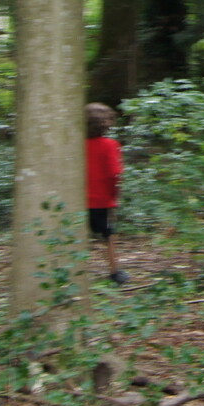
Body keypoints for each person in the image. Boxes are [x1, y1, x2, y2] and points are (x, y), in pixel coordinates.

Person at [85, 102, 130, 286]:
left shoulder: (74, 145)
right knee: (109, 235)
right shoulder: (110, 145)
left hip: (77, 200)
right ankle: (114, 271)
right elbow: (115, 173)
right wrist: (114, 195)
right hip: (102, 200)